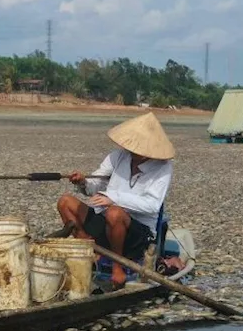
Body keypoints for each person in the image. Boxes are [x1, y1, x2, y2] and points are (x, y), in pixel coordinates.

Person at [57, 112, 175, 289]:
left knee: (115, 213)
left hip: (138, 233)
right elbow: (95, 184)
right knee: (65, 202)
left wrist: (114, 199)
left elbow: (152, 206)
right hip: (106, 223)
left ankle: (117, 268)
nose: (133, 151)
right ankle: (91, 254)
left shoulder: (163, 168)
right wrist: (83, 182)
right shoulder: (118, 156)